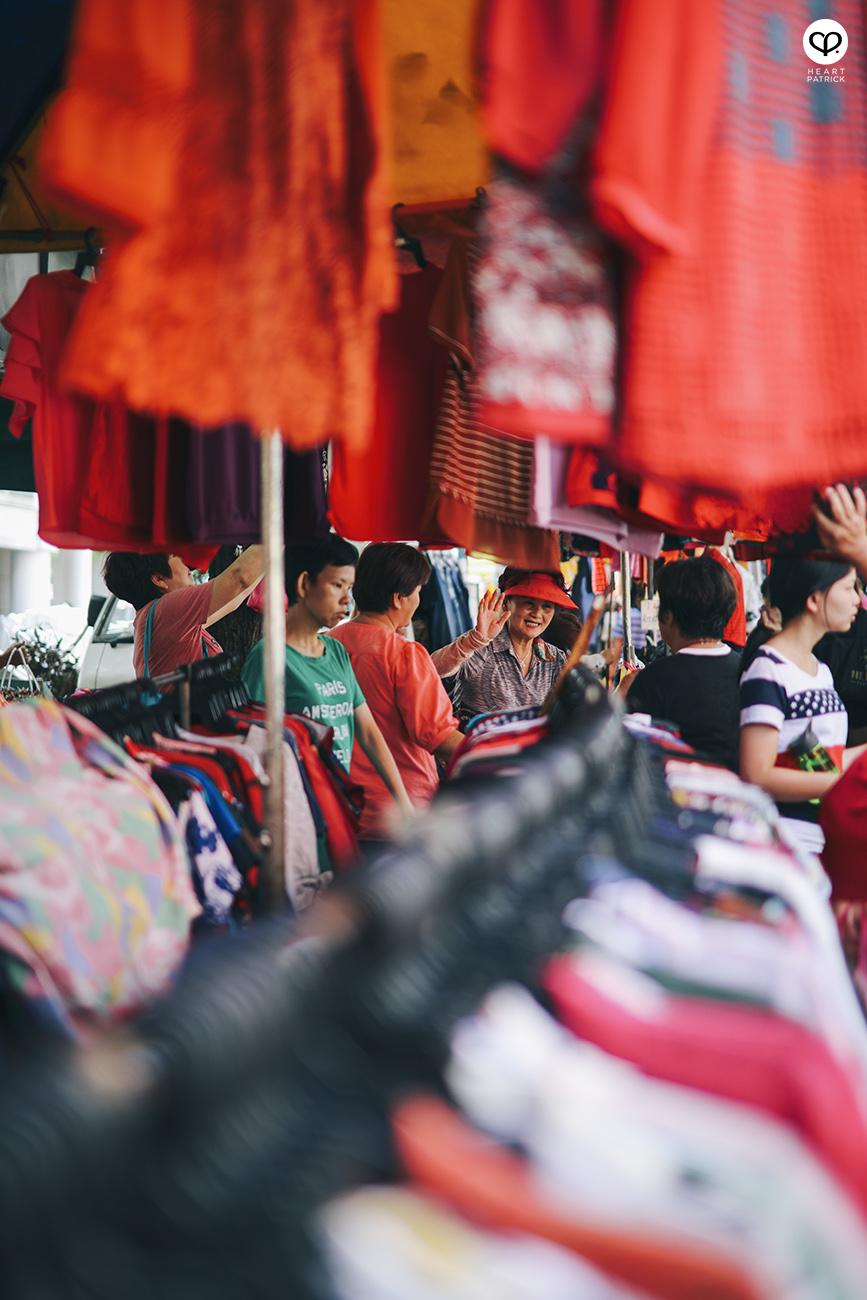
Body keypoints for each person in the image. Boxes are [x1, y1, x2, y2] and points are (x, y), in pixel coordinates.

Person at [240, 537, 413, 822]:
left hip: (339, 802)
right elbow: (252, 745)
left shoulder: (335, 650)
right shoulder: (269, 657)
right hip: (295, 814)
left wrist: (404, 802)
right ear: (304, 584)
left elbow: (368, 733)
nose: (347, 599)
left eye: (349, 588)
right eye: (337, 585)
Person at [327, 543, 465, 841]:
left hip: (338, 808)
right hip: (398, 812)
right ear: (398, 598)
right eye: (417, 591)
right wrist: (491, 754)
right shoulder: (403, 653)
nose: (418, 600)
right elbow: (437, 736)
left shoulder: (327, 645)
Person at [740, 556, 866, 855]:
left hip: (821, 837)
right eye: (849, 588)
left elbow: (822, 759)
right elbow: (756, 774)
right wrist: (839, 783)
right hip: (786, 840)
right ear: (814, 599)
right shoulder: (768, 668)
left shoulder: (820, 671)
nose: (858, 600)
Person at [620, 555, 741, 770]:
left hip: (672, 788)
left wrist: (618, 699)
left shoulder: (651, 681)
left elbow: (625, 752)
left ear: (667, 616)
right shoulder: (749, 671)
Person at [433, 568, 578, 724]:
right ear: (506, 603)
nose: (537, 613)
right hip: (473, 739)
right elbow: (432, 668)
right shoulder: (480, 647)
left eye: (546, 606)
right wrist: (473, 641)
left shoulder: (555, 659)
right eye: (529, 603)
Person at [103, 546, 264, 679]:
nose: (186, 561)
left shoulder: (158, 617)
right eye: (175, 556)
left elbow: (234, 599)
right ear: (159, 579)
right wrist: (272, 531)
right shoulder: (168, 609)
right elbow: (239, 579)